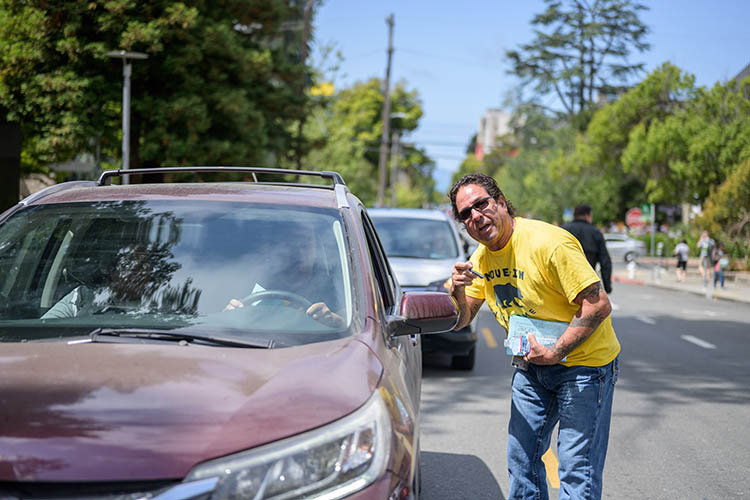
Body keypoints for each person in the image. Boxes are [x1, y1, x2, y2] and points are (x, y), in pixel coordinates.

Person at [448, 173, 620, 500]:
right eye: (465, 214)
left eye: (480, 204)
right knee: (521, 459)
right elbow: (462, 319)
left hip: (584, 366)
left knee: (575, 469)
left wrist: (556, 352)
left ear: (500, 202)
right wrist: (457, 290)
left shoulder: (548, 243)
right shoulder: (481, 259)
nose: (475, 216)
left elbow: (598, 304)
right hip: (532, 367)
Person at [224, 222, 345, 328]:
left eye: (304, 244)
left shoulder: (333, 285)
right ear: (276, 249)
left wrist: (333, 321)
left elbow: (354, 327)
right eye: (290, 245)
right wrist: (227, 315)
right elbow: (216, 322)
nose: (298, 252)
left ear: (315, 248)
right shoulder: (253, 280)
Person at [562, 203, 613, 294]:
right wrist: (607, 285)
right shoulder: (595, 232)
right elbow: (605, 261)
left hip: (564, 282)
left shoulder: (563, 230)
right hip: (588, 283)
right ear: (587, 215)